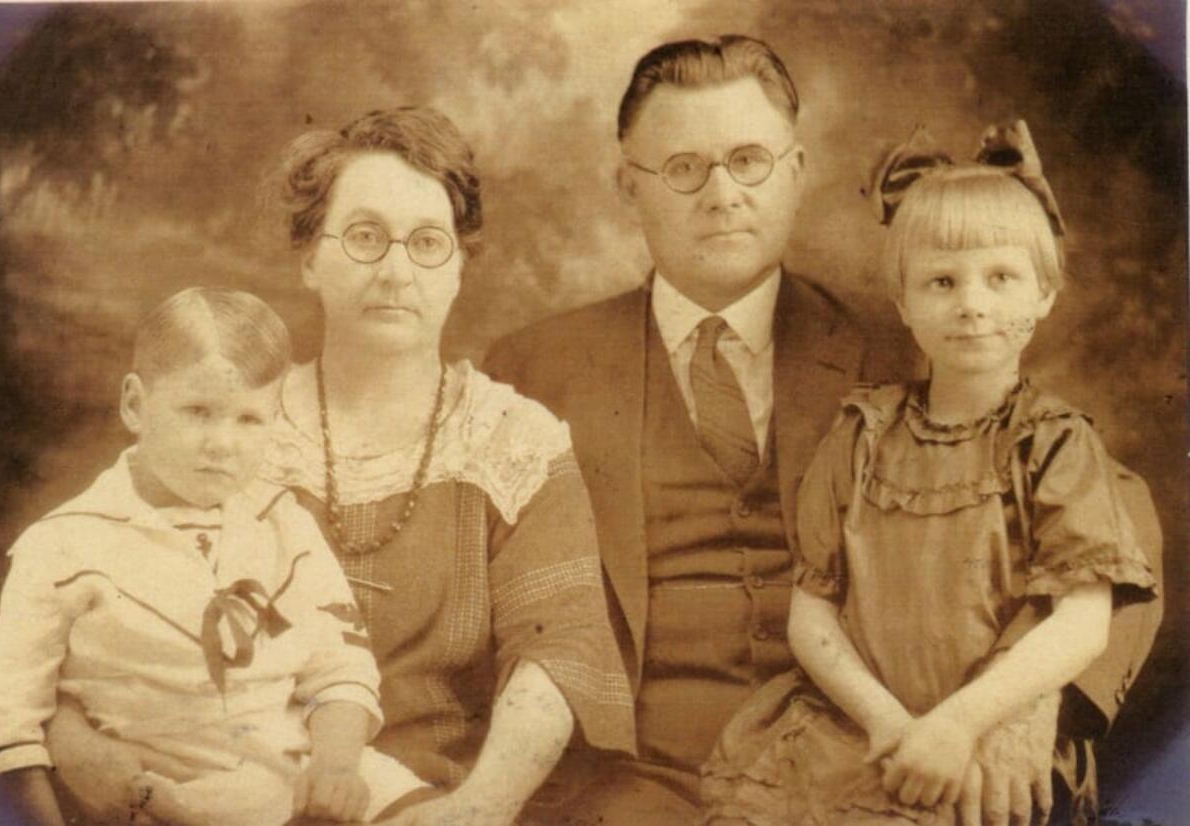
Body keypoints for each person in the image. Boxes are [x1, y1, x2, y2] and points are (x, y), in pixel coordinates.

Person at [484, 37, 1164, 825]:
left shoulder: (906, 333)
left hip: (863, 766)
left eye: (749, 160)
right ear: (625, 185)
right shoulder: (534, 367)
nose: (722, 194)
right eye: (682, 168)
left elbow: (1118, 516)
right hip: (629, 784)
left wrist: (1028, 699)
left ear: (798, 171)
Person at [45, 106, 635, 826]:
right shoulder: (229, 434)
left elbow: (559, 648)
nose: (395, 271)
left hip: (438, 801)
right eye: (364, 237)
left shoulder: (516, 443)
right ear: (310, 259)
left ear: (458, 268)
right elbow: (74, 615)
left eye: (426, 243)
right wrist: (87, 755)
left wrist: (477, 807)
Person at [700, 121, 1159, 826]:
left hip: (983, 732)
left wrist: (959, 726)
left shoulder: (1054, 445)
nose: (972, 303)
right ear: (904, 305)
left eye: (1001, 278)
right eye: (942, 282)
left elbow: (1084, 622)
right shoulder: (861, 435)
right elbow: (812, 610)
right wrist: (889, 725)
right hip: (857, 731)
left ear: (1043, 295)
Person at [0, 287, 427, 826]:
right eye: (198, 412)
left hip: (302, 777)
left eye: (249, 420)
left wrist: (335, 767)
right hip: (167, 797)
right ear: (136, 405)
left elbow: (341, 669)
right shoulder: (61, 544)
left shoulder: (285, 524)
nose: (223, 444)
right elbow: (11, 722)